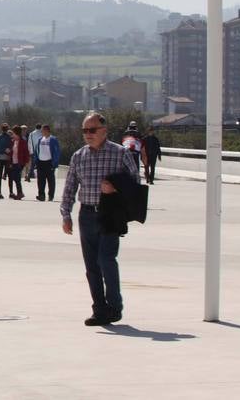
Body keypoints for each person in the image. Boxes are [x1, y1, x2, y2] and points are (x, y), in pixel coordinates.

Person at [60, 112, 140, 326]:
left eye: (92, 130)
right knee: (91, 266)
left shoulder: (120, 153)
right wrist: (65, 214)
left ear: (104, 130)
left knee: (106, 259)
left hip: (110, 214)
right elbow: (69, 187)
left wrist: (115, 187)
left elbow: (135, 182)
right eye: (85, 131)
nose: (88, 135)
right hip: (86, 214)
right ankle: (99, 309)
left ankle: (115, 307)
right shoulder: (79, 156)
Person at [35, 123, 62, 201]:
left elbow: (57, 152)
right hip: (41, 162)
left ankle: (51, 195)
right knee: (40, 180)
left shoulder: (53, 139)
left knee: (50, 180)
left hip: (49, 162)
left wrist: (54, 163)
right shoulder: (40, 139)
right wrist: (36, 160)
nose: (42, 132)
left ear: (47, 130)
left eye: (43, 130)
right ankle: (41, 195)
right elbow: (37, 150)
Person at [7, 125, 28, 200]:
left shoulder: (23, 141)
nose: (12, 134)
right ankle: (20, 193)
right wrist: (9, 152)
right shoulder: (13, 141)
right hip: (14, 162)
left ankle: (20, 193)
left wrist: (26, 162)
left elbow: (26, 152)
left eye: (13, 132)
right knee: (14, 177)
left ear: (16, 133)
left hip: (20, 162)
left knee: (16, 177)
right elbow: (12, 152)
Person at [0, 123, 12, 199]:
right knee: (9, 175)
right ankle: (11, 192)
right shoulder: (9, 137)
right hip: (6, 157)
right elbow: (10, 147)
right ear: (7, 129)